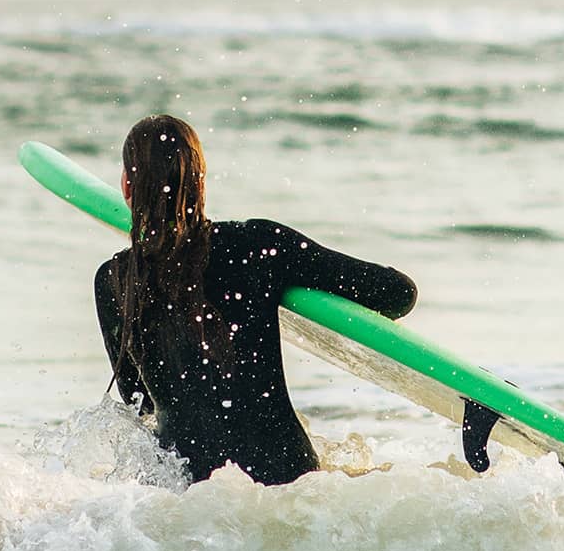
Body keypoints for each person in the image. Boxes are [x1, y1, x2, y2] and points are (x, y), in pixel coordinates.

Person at [94, 115, 417, 486]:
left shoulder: (113, 281)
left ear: (127, 186)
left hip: (188, 491)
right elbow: (397, 294)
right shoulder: (257, 247)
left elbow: (140, 401)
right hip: (287, 483)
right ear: (201, 183)